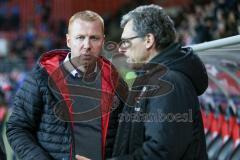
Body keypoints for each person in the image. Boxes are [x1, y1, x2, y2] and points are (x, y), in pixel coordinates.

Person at [7, 10, 126, 160]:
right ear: (68, 40)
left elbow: (126, 135)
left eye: (94, 38)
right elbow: (17, 128)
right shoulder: (41, 77)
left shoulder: (115, 82)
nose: (87, 45)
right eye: (80, 37)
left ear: (103, 40)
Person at [110, 4, 208, 160]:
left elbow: (160, 152)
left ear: (148, 40)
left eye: (126, 42)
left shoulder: (169, 83)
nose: (121, 49)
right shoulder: (151, 78)